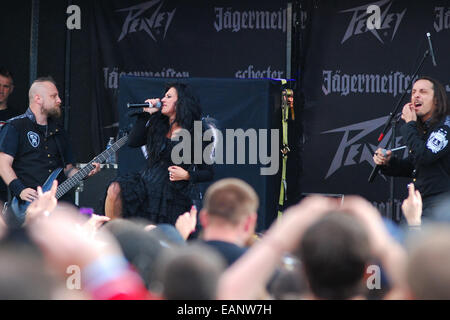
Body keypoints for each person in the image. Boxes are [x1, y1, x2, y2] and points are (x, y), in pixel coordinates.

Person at [105, 82, 214, 225]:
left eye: (169, 96)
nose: (163, 100)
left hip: (173, 191)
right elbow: (133, 141)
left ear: (181, 102)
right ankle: (113, 234)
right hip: (146, 182)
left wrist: (187, 175)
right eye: (164, 96)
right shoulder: (157, 123)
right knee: (114, 190)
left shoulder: (197, 131)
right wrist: (145, 115)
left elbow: (208, 172)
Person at [0, 76, 100, 225]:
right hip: (31, 205)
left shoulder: (59, 132)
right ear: (38, 99)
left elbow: (68, 169)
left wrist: (84, 173)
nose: (59, 100)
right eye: (54, 96)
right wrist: (19, 189)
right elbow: (3, 163)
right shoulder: (16, 126)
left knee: (93, 219)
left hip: (61, 203)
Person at [373, 76, 450, 221]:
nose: (416, 96)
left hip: (440, 207)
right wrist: (389, 162)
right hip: (420, 204)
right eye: (413, 92)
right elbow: (415, 166)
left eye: (423, 92)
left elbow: (424, 156)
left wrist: (409, 124)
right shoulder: (426, 129)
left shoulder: (445, 127)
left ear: (437, 100)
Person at [0, 68, 19, 203]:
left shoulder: (17, 118)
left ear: (11, 89)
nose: (1, 90)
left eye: (5, 86)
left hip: (6, 182)